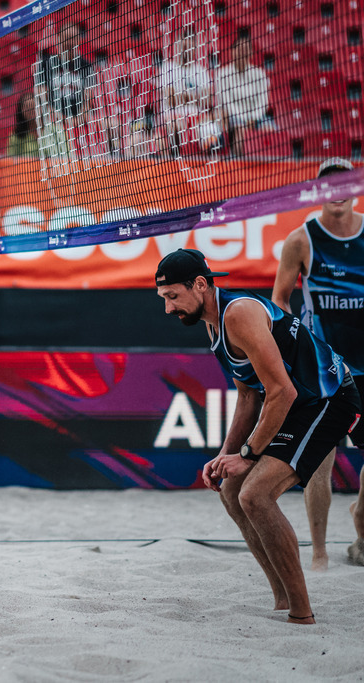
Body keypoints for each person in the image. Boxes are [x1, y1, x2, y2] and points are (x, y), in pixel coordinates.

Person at [156, 248, 361, 624]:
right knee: (233, 490)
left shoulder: (240, 314)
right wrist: (225, 455)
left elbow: (282, 392)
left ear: (200, 285)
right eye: (164, 299)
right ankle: (282, 599)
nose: (168, 309)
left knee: (256, 493)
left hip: (329, 398)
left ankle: (301, 614)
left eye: (172, 296)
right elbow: (249, 395)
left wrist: (248, 455)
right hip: (298, 401)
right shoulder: (212, 320)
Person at [272, 157, 364, 569]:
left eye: (344, 183)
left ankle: (360, 522)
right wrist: (295, 349)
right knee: (320, 462)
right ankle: (321, 554)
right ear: (318, 191)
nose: (337, 191)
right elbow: (279, 301)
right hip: (327, 370)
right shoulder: (301, 239)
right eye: (328, 185)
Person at [215, 36, 269, 157]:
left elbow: (263, 103)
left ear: (251, 53)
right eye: (239, 49)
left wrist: (253, 118)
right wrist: (244, 120)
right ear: (232, 52)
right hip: (234, 118)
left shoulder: (259, 74)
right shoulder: (222, 74)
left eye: (246, 49)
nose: (242, 53)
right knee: (241, 133)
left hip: (257, 118)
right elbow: (227, 103)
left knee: (270, 131)